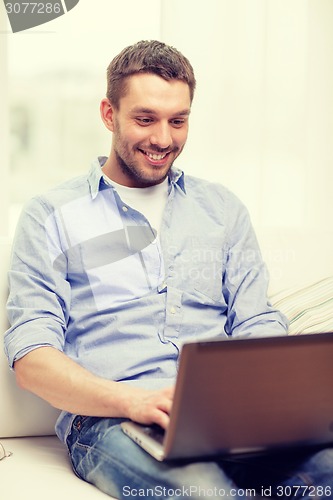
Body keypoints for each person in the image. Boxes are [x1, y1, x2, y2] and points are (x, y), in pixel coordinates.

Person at [4, 40, 332, 499]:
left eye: (178, 121)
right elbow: (32, 359)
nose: (163, 139)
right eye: (145, 119)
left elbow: (256, 320)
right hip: (111, 422)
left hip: (226, 417)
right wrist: (132, 400)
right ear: (108, 114)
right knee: (206, 492)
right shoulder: (50, 215)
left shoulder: (221, 209)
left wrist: (274, 401)